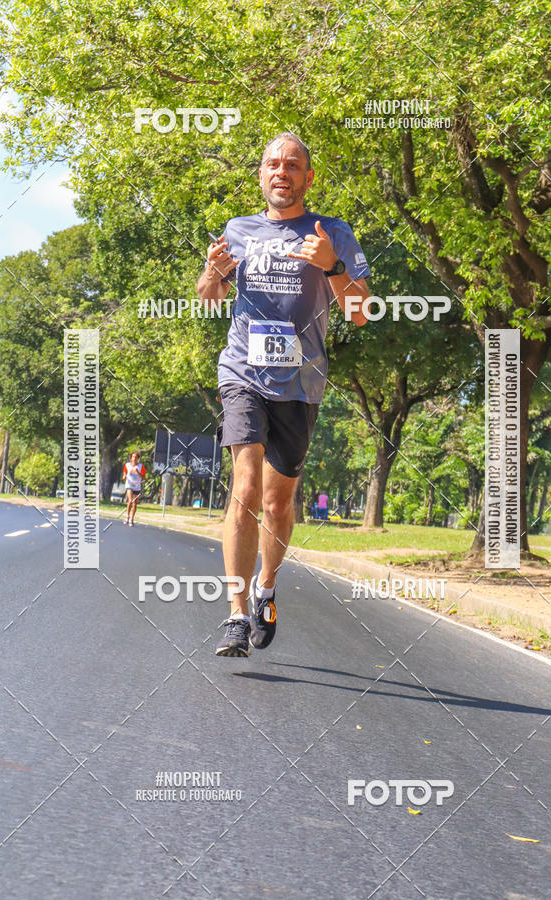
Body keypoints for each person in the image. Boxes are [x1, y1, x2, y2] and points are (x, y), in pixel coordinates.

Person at [197, 132, 371, 657]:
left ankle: (266, 587)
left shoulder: (333, 233)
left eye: (292, 165)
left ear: (307, 178)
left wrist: (333, 266)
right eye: (273, 163)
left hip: (300, 383)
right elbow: (209, 297)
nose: (282, 171)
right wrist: (213, 274)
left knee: (277, 503)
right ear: (261, 174)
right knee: (246, 488)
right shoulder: (238, 230)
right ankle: (235, 615)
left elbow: (360, 313)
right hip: (242, 372)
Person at [122, 451, 146, 526]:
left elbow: (144, 478)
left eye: (136, 457)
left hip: (137, 487)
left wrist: (138, 472)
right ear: (131, 458)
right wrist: (124, 476)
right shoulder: (127, 465)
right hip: (129, 485)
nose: (134, 458)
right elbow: (124, 474)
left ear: (138, 458)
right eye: (133, 457)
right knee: (130, 500)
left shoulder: (141, 466)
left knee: (135, 503)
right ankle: (127, 516)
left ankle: (131, 519)